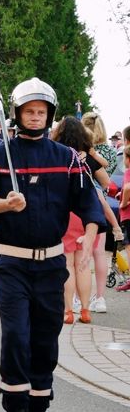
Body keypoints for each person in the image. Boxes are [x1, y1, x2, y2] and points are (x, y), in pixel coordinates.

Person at [0, 77, 104, 412]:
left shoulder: (65, 159)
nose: (34, 117)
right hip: (10, 263)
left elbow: (89, 205)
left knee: (45, 340)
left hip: (50, 266)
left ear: (49, 115)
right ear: (16, 113)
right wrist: (4, 204)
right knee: (15, 336)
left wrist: (90, 235)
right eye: (28, 111)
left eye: (40, 112)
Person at [51, 117, 121, 324]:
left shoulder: (56, 154)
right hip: (86, 213)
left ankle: (68, 311)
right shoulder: (86, 158)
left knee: (68, 265)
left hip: (64, 213)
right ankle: (85, 310)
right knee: (83, 264)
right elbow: (107, 182)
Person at [82, 112, 118, 313]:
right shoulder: (111, 152)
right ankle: (100, 298)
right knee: (99, 253)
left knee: (80, 252)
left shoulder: (84, 150)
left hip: (82, 201)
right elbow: (108, 180)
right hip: (102, 202)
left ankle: (79, 298)